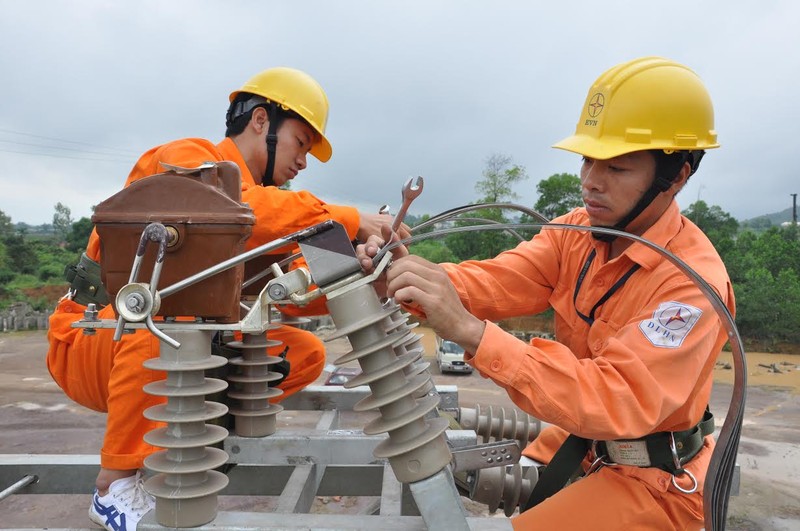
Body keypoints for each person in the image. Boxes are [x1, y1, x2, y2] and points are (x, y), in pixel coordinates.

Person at [358, 56, 734, 530]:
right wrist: (408, 277)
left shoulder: (691, 286)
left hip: (654, 480)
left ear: (676, 174)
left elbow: (616, 398)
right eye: (588, 158)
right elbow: (497, 279)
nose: (590, 181)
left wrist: (472, 334)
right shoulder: (576, 233)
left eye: (616, 166)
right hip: (585, 445)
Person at [47, 66, 405, 531]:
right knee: (172, 325)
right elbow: (234, 211)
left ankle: (196, 437)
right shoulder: (186, 158)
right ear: (261, 121)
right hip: (96, 343)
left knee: (302, 353)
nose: (304, 161)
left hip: (167, 359)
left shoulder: (272, 213)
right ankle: (112, 487)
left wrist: (362, 272)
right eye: (301, 142)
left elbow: (292, 289)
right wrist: (348, 219)